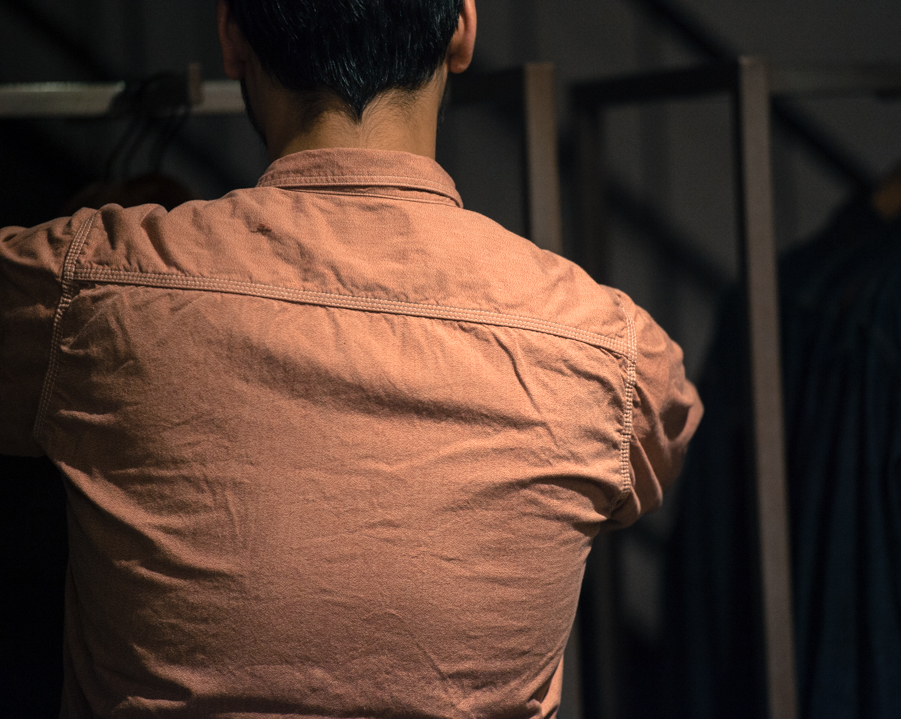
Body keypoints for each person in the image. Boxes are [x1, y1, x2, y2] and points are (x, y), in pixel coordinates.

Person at [0, 1, 702, 717]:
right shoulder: (612, 351)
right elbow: (664, 434)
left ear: (232, 37)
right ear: (463, 28)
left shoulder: (88, 287)